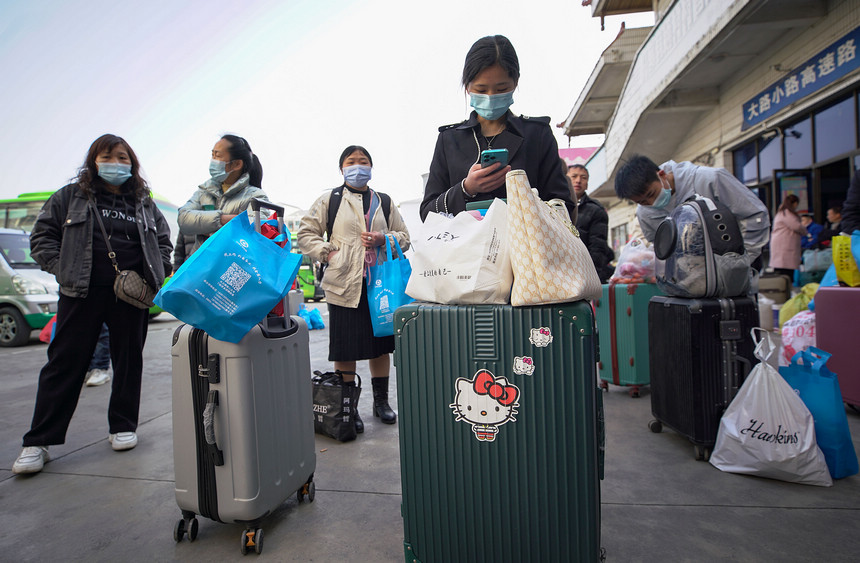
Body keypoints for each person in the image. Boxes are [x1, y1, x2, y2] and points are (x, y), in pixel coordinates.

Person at [12, 134, 173, 475]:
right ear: (93, 161)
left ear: (132, 163)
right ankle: (38, 441)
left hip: (132, 296)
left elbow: (163, 241)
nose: (116, 163)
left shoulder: (143, 203)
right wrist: (64, 269)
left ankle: (123, 425)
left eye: (122, 157)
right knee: (64, 363)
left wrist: (158, 271)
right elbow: (42, 238)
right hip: (81, 293)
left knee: (129, 361)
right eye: (108, 156)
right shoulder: (71, 197)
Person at [298, 146, 411, 433]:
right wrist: (329, 253)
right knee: (345, 349)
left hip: (379, 287)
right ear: (341, 169)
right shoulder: (330, 200)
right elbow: (306, 233)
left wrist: (383, 238)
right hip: (343, 285)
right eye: (351, 162)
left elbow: (405, 237)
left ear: (372, 167)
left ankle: (381, 403)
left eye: (363, 161)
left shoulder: (384, 201)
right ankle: (347, 407)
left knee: (380, 347)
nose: (357, 166)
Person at [420, 35, 576, 222]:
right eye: (481, 89)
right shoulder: (449, 139)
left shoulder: (537, 134)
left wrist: (526, 205)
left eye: (501, 89)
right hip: (467, 249)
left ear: (515, 83)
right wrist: (466, 188)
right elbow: (427, 212)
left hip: (523, 249)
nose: (491, 96)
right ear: (467, 86)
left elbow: (562, 204)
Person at [614, 155, 770, 268]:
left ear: (661, 175)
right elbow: (662, 248)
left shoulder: (709, 180)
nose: (651, 203)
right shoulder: (645, 214)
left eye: (651, 194)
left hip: (736, 268)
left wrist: (742, 261)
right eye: (642, 202)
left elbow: (755, 215)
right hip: (691, 280)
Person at [178, 134, 268, 255]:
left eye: (218, 156)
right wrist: (222, 219)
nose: (213, 160)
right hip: (201, 268)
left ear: (237, 164)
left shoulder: (255, 196)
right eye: (212, 155)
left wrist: (204, 226)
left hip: (234, 267)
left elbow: (257, 228)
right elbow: (183, 219)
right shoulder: (204, 191)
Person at [567, 163, 614, 282]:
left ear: (587, 184)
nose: (578, 181)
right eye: (574, 176)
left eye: (583, 178)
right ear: (565, 179)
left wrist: (592, 278)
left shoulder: (596, 210)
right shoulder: (554, 206)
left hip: (585, 273)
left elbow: (598, 247)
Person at [768, 194, 807, 279]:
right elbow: (796, 226)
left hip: (781, 244)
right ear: (795, 203)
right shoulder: (787, 213)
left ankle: (782, 287)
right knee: (785, 270)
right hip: (785, 245)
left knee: (781, 268)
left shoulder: (782, 212)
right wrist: (805, 231)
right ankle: (785, 287)